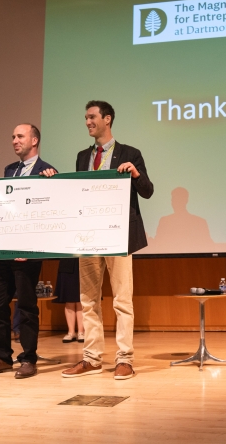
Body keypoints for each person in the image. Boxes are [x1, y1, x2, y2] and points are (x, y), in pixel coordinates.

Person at [50, 100, 154, 380]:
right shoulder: (83, 156)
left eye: (92, 117)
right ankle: (91, 358)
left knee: (122, 300)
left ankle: (125, 359)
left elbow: (147, 191)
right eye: (85, 117)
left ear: (107, 119)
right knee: (88, 301)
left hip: (120, 236)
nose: (87, 122)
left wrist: (135, 173)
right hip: (88, 236)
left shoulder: (130, 153)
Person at [0, 123, 56, 379]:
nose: (14, 140)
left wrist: (53, 186)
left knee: (27, 306)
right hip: (2, 249)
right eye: (12, 136)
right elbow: (8, 206)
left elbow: (50, 211)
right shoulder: (9, 170)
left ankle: (28, 359)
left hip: (28, 251)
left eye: (20, 136)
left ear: (34, 141)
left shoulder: (48, 172)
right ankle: (1, 357)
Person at [52, 258, 84, 343]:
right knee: (69, 299)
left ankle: (81, 332)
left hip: (83, 262)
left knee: (80, 300)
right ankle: (71, 332)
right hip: (67, 261)